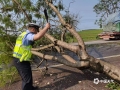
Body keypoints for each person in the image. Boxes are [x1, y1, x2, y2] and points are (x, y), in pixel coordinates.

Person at [13, 23, 50, 90]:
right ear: (33, 29)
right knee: (26, 80)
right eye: (36, 31)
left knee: (27, 77)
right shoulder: (28, 35)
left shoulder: (22, 34)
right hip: (21, 61)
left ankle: (31, 88)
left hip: (19, 59)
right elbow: (37, 37)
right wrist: (46, 27)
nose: (37, 32)